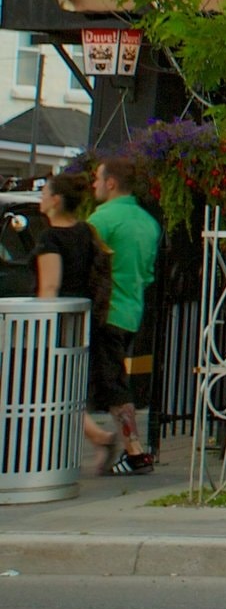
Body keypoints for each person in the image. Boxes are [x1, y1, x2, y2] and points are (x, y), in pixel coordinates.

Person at [31, 171, 121, 456]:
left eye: (44, 192)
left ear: (56, 200)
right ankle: (96, 438)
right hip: (83, 321)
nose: (41, 198)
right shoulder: (85, 231)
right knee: (62, 386)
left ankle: (97, 437)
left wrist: (40, 328)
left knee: (49, 386)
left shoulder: (50, 239)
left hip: (58, 323)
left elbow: (49, 286)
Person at [87, 155, 161, 474]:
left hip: (106, 310)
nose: (93, 184)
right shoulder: (149, 223)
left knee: (114, 382)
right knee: (111, 378)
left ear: (111, 183)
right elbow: (147, 272)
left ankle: (134, 450)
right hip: (132, 309)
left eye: (97, 179)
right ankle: (114, 442)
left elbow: (86, 263)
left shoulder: (102, 219)